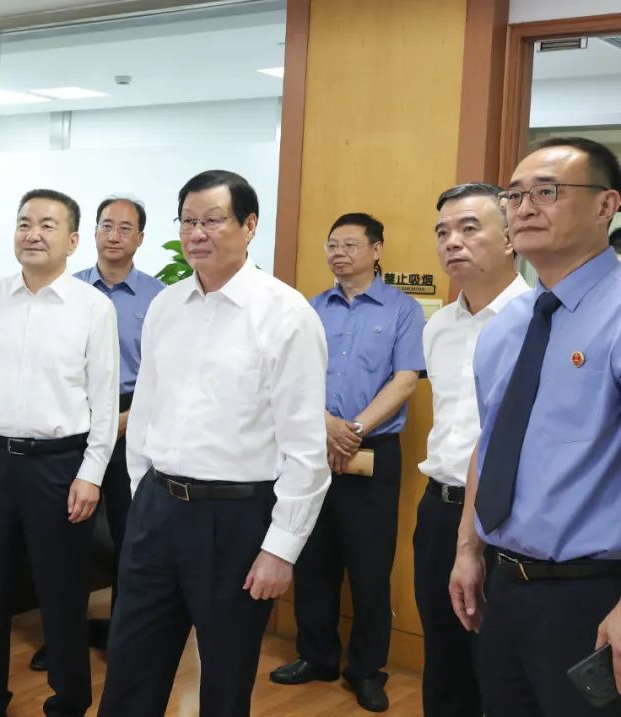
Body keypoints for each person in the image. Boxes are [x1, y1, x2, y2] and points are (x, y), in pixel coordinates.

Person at [97, 170, 330, 717]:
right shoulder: (166, 306)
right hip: (158, 510)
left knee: (225, 680)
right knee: (130, 667)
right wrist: (143, 496)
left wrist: (280, 548)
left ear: (250, 226)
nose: (196, 233)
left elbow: (305, 448)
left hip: (236, 520)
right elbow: (146, 412)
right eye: (188, 221)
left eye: (213, 220)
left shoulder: (286, 314)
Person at [449, 136, 621, 717]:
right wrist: (468, 549)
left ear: (606, 205)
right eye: (515, 195)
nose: (524, 207)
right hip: (505, 585)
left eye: (547, 192)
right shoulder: (508, 323)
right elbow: (491, 444)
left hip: (595, 592)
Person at [0, 189, 119, 717]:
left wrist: (91, 474)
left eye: (47, 224)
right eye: (24, 223)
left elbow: (104, 402)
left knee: (62, 591)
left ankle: (68, 701)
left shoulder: (94, 308)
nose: (33, 233)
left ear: (72, 240)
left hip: (59, 466)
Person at [272, 212, 425, 713]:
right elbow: (291, 379)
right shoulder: (310, 309)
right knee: (313, 559)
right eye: (332, 244)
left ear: (376, 250)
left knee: (369, 568)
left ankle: (367, 669)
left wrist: (353, 429)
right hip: (313, 446)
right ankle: (316, 656)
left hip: (374, 451)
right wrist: (326, 426)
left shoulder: (403, 309)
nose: (338, 253)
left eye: (350, 244)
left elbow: (405, 380)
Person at [30, 195, 164, 671]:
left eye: (125, 228)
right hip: (72, 422)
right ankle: (61, 639)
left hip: (132, 422)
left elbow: (164, 375)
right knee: (66, 538)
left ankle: (123, 639)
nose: (114, 235)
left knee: (130, 539)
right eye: (106, 225)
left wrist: (119, 422)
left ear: (140, 238)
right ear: (91, 233)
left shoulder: (159, 299)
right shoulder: (65, 291)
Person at [416, 183, 530, 717]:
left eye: (468, 228)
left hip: (504, 519)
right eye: (442, 232)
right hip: (438, 508)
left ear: (509, 239)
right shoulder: (438, 326)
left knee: (500, 672)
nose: (452, 242)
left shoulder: (538, 319)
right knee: (442, 661)